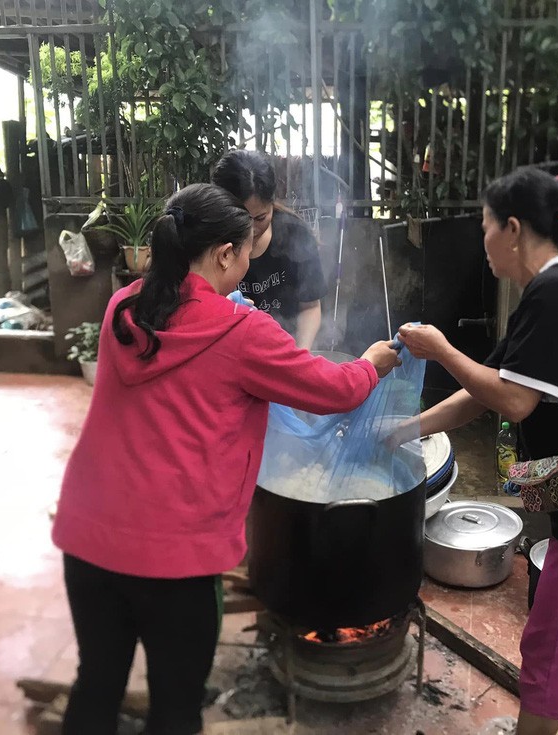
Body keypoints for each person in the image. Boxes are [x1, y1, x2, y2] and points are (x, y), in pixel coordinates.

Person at [51, 183, 399, 735]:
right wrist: (372, 363)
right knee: (175, 708)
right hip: (175, 557)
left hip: (89, 536)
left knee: (96, 682)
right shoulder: (243, 332)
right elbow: (336, 389)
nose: (248, 263)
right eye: (245, 253)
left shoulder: (124, 307)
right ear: (223, 254)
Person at [395, 167, 558, 735]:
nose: (482, 241)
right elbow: (482, 392)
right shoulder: (548, 293)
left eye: (485, 227)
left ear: (511, 229)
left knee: (548, 644)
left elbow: (513, 402)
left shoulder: (556, 294)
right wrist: (404, 430)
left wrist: (441, 349)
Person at [210, 149, 325, 350]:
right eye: (242, 219)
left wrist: (299, 354)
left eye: (260, 218)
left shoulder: (295, 234)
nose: (251, 230)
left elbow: (310, 306)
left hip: (283, 351)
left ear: (272, 203)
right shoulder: (207, 243)